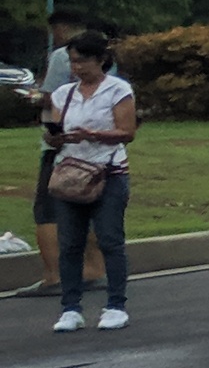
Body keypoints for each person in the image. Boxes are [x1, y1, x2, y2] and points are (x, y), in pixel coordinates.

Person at [37, 31, 135, 331]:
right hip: (71, 173)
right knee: (69, 243)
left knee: (109, 239)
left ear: (101, 60)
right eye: (73, 62)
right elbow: (54, 130)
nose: (77, 67)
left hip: (108, 172)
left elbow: (127, 132)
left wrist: (92, 135)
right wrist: (55, 137)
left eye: (82, 61)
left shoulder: (117, 90)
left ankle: (115, 304)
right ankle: (70, 308)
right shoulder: (64, 94)